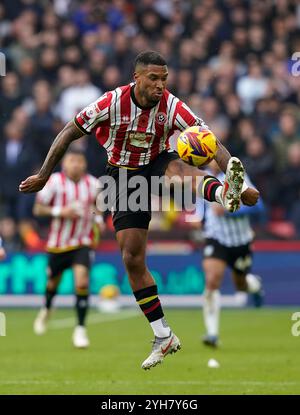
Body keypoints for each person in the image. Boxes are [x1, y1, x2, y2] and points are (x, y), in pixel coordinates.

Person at [19, 51, 259, 370]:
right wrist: (44, 174)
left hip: (158, 161)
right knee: (132, 259)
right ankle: (163, 335)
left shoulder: (172, 106)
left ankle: (222, 192)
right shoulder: (110, 103)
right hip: (121, 174)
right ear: (138, 78)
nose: (161, 85)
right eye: (154, 79)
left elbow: (211, 143)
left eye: (164, 79)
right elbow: (68, 132)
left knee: (178, 170)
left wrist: (239, 185)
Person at [32, 148, 103, 348]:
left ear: (85, 164)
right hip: (58, 244)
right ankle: (46, 309)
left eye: (79, 161)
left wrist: (98, 218)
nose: (76, 165)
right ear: (64, 164)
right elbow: (38, 208)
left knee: (82, 281)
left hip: (83, 241)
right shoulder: (54, 182)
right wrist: (60, 211)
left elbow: (97, 207)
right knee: (52, 284)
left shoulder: (94, 184)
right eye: (72, 161)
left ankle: (80, 330)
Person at [199, 161, 264, 348]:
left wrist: (229, 210)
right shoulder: (201, 177)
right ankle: (212, 334)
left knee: (241, 285)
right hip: (216, 238)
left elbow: (258, 205)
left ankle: (255, 286)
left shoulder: (238, 177)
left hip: (240, 241)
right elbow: (200, 208)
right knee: (212, 280)